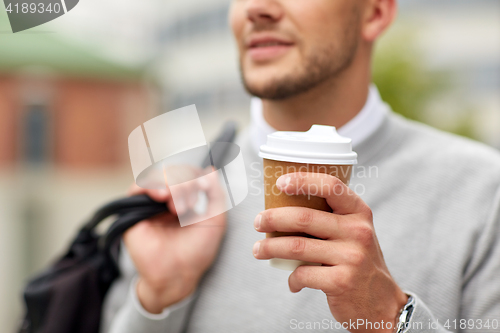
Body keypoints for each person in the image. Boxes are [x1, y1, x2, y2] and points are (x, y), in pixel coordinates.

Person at [101, 0, 500, 332]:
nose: (256, 9)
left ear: (375, 13)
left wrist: (391, 319)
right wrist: (159, 297)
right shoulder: (176, 192)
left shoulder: (484, 191)